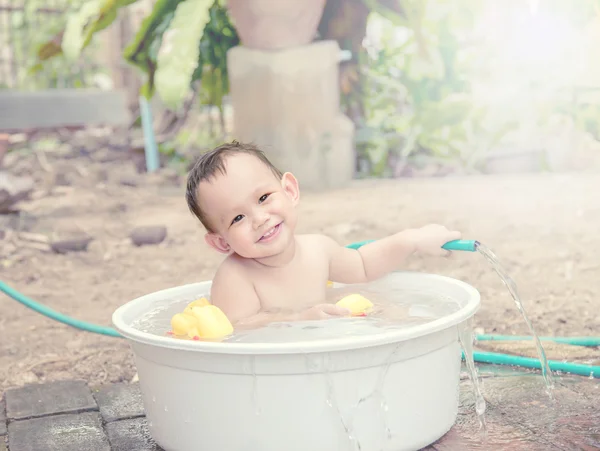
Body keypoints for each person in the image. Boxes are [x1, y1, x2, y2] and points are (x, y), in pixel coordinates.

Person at [185, 141, 461, 328]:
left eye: (263, 197)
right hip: (275, 371)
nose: (259, 219)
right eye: (237, 218)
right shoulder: (236, 278)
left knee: (396, 314)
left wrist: (411, 240)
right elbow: (236, 330)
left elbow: (363, 266)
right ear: (221, 242)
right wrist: (298, 319)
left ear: (290, 191)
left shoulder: (318, 250)